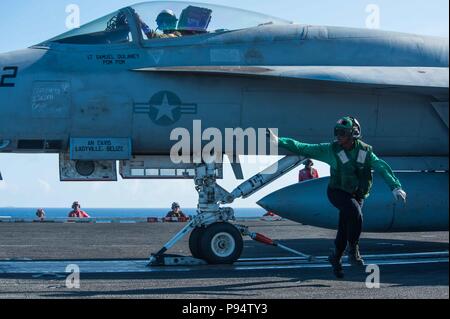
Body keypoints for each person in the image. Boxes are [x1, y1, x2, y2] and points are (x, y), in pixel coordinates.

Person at [268, 117, 407, 278]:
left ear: (354, 133)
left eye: (342, 133)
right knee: (355, 213)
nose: (338, 136)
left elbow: (381, 167)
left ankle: (336, 258)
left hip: (357, 194)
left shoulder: (365, 151)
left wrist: (395, 187)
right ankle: (353, 249)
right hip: (337, 192)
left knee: (344, 229)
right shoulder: (331, 150)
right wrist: (279, 141)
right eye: (337, 132)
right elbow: (304, 147)